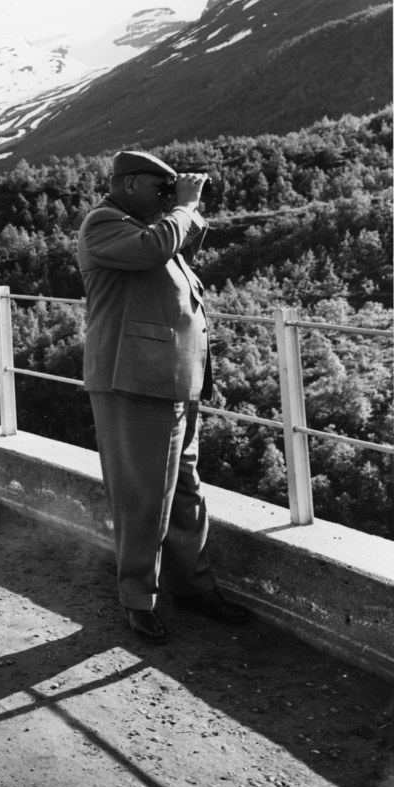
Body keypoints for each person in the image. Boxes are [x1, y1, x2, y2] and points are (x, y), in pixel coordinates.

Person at [76, 150, 250, 645]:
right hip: (133, 382)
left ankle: (194, 587)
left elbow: (178, 250)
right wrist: (185, 204)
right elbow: (155, 249)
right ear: (129, 184)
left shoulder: (149, 229)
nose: (168, 197)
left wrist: (187, 210)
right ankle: (138, 601)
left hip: (175, 381)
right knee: (142, 499)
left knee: (185, 492)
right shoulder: (104, 224)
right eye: (161, 188)